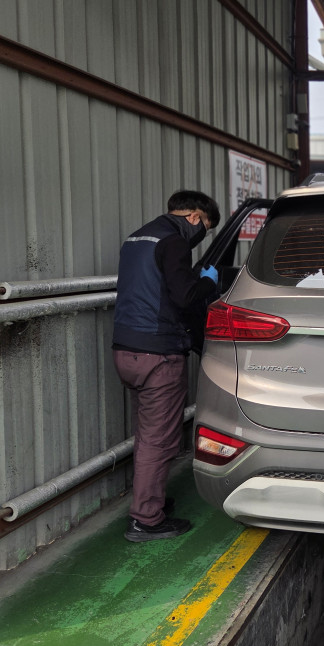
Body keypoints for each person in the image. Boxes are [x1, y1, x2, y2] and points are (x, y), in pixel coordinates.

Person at [112, 190, 221, 542]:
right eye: (206, 227)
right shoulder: (174, 242)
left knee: (147, 436)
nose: (202, 234)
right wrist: (208, 282)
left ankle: (151, 501)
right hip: (158, 355)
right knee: (158, 442)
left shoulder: (136, 239)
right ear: (194, 217)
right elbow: (184, 296)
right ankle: (146, 520)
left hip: (127, 351)